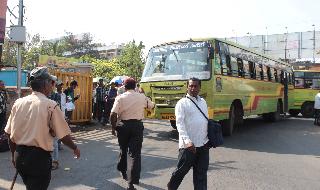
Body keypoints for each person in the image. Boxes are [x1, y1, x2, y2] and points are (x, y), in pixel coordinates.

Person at [4, 67, 80, 190]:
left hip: (20, 156)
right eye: (52, 83)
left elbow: (9, 133)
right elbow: (63, 136)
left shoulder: (18, 103)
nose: (53, 86)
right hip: (38, 160)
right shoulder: (50, 105)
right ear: (45, 84)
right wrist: (75, 148)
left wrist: (13, 155)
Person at [110, 77, 154, 190]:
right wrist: (145, 95)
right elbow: (151, 106)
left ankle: (123, 170)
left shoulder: (120, 97)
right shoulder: (142, 96)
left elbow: (113, 115)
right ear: (135, 86)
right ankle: (132, 180)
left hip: (123, 126)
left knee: (123, 150)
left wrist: (113, 128)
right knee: (134, 154)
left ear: (124, 86)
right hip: (137, 127)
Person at [167, 77, 210, 190]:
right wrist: (187, 141)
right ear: (187, 87)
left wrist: (207, 139)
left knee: (201, 174)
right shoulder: (182, 103)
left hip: (203, 144)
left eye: (195, 86)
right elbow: (179, 124)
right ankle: (171, 187)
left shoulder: (203, 102)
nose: (193, 88)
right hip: (189, 146)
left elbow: (205, 120)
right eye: (190, 86)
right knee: (181, 171)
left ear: (200, 87)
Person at [49, 80, 67, 169]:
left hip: (54, 121)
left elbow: (57, 109)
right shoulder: (43, 95)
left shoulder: (57, 95)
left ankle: (55, 161)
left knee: (54, 142)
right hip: (44, 122)